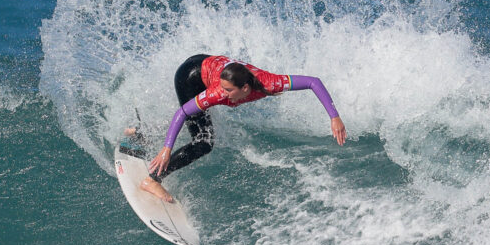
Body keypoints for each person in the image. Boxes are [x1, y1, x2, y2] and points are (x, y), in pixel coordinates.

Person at [139, 54, 346, 202]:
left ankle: (141, 132)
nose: (223, 93)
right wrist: (166, 148)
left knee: (198, 122)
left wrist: (334, 117)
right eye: (222, 88)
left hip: (206, 65)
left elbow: (312, 82)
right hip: (190, 76)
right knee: (203, 142)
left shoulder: (269, 83)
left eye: (229, 90)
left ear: (245, 88)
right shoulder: (218, 92)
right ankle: (152, 180)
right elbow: (182, 112)